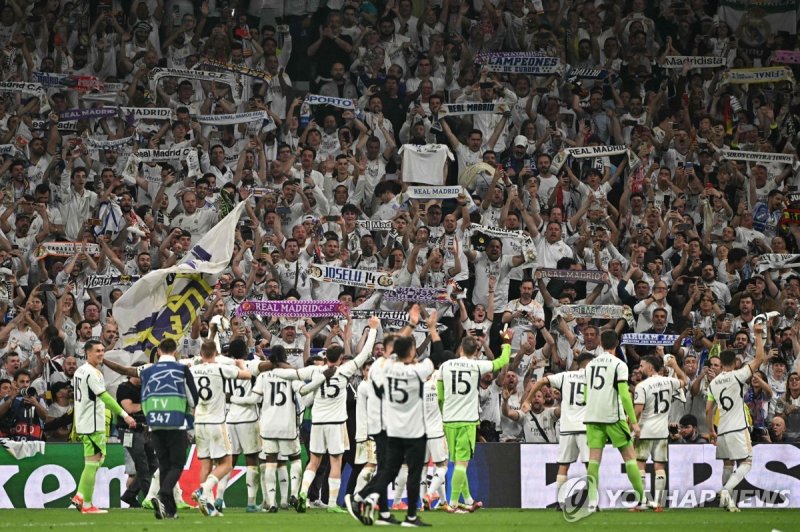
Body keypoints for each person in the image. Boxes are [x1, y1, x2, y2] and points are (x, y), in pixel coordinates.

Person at [272, 316, 379, 513]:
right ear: (339, 359)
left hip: (318, 422)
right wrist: (372, 330)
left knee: (314, 461)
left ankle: (303, 493)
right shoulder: (344, 370)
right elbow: (364, 355)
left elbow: (292, 375)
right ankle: (331, 504)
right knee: (335, 462)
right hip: (337, 424)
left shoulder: (314, 370)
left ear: (326, 356)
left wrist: (270, 369)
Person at [353, 311, 441, 527]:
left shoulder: (388, 367)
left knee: (389, 470)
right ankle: (365, 498)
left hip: (392, 429)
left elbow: (394, 351)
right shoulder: (416, 371)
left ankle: (376, 506)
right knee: (409, 471)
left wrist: (411, 325)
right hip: (410, 429)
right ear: (409, 352)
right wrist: (431, 328)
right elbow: (438, 356)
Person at [437, 326, 512, 512]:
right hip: (467, 420)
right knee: (462, 464)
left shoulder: (444, 366)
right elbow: (502, 361)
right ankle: (453, 503)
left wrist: (443, 414)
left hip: (449, 420)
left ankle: (468, 500)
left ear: (461, 349)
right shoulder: (477, 365)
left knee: (457, 462)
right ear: (475, 351)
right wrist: (507, 343)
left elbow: (440, 396)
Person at [706, 322, 767, 512]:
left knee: (728, 464)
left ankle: (728, 502)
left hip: (722, 429)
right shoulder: (737, 375)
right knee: (747, 462)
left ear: (721, 363)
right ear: (734, 363)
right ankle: (726, 490)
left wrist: (711, 430)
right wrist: (757, 334)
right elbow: (760, 358)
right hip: (738, 428)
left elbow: (708, 410)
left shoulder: (713, 383)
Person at [583, 330, 645, 513]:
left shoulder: (590, 365)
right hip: (613, 417)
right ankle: (642, 499)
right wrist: (633, 422)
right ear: (617, 344)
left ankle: (593, 502)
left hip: (593, 417)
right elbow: (625, 395)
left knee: (594, 460)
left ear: (601, 343)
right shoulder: (619, 365)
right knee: (629, 456)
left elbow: (586, 395)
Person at [71, 340, 136, 514]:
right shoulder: (93, 373)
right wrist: (125, 415)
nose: (101, 353)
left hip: (84, 422)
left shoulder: (79, 371)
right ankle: (81, 498)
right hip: (93, 423)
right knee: (93, 463)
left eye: (102, 350)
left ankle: (85, 502)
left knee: (93, 462)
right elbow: (105, 397)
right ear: (87, 353)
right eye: (97, 351)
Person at [523, 352, 594, 509]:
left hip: (567, 427)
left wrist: (528, 399)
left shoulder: (566, 376)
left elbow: (542, 381)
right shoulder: (594, 379)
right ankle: (593, 503)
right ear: (589, 364)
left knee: (564, 465)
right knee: (590, 465)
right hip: (585, 427)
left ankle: (561, 502)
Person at [190, 340, 252, 517]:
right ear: (216, 353)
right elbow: (247, 375)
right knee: (226, 463)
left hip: (199, 421)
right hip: (216, 422)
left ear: (201, 354)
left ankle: (208, 506)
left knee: (206, 464)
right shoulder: (219, 368)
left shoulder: (193, 370)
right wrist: (240, 364)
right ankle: (203, 491)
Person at [138, 339, 197, 519]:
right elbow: (194, 399)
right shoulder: (181, 370)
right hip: (175, 421)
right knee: (177, 463)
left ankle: (169, 510)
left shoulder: (147, 372)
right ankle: (163, 494)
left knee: (164, 464)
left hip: (155, 422)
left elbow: (144, 399)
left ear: (159, 351)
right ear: (176, 351)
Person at [633, 351, 688, 510]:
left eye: (642, 366)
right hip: (662, 431)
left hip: (644, 430)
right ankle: (657, 502)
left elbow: (637, 411)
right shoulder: (669, 382)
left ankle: (642, 502)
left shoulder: (641, 386)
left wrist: (630, 426)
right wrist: (675, 365)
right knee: (659, 466)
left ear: (650, 368)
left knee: (640, 464)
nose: (639, 369)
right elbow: (685, 380)